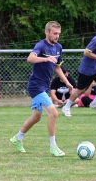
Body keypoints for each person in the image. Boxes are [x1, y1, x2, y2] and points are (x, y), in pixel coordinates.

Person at [10, 21, 73, 157]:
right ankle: (53, 147)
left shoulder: (58, 47)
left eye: (58, 34)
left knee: (36, 117)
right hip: (35, 86)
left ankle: (17, 138)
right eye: (54, 33)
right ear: (47, 32)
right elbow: (30, 58)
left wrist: (67, 82)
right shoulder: (41, 45)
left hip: (44, 86)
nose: (57, 36)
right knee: (54, 113)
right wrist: (45, 59)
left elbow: (57, 67)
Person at [62, 21, 96, 117]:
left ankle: (95, 102)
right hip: (86, 70)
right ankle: (66, 107)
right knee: (80, 90)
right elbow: (86, 52)